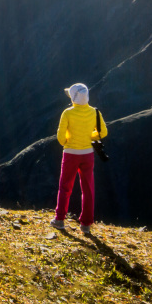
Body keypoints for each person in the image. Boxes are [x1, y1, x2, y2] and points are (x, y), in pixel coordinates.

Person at [51, 82, 107, 235]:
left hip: (70, 154)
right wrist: (89, 137)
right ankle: (86, 224)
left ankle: (59, 220)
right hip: (88, 154)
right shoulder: (95, 112)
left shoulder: (67, 113)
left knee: (65, 187)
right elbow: (103, 132)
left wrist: (68, 142)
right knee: (88, 189)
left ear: (73, 97)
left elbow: (60, 137)